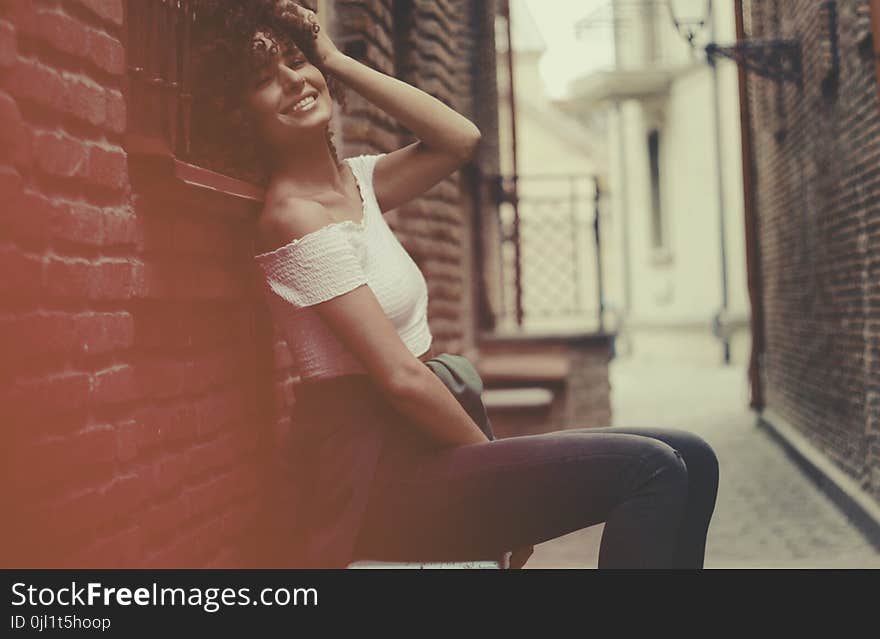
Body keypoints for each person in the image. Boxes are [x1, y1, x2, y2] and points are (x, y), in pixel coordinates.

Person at [193, 0, 719, 569]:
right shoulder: (292, 217)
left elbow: (458, 140)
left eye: (296, 62)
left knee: (694, 457)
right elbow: (399, 378)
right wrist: (510, 497)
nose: (294, 82)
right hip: (379, 474)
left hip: (422, 446)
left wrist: (333, 58)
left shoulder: (358, 183)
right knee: (654, 470)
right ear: (236, 114)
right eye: (262, 80)